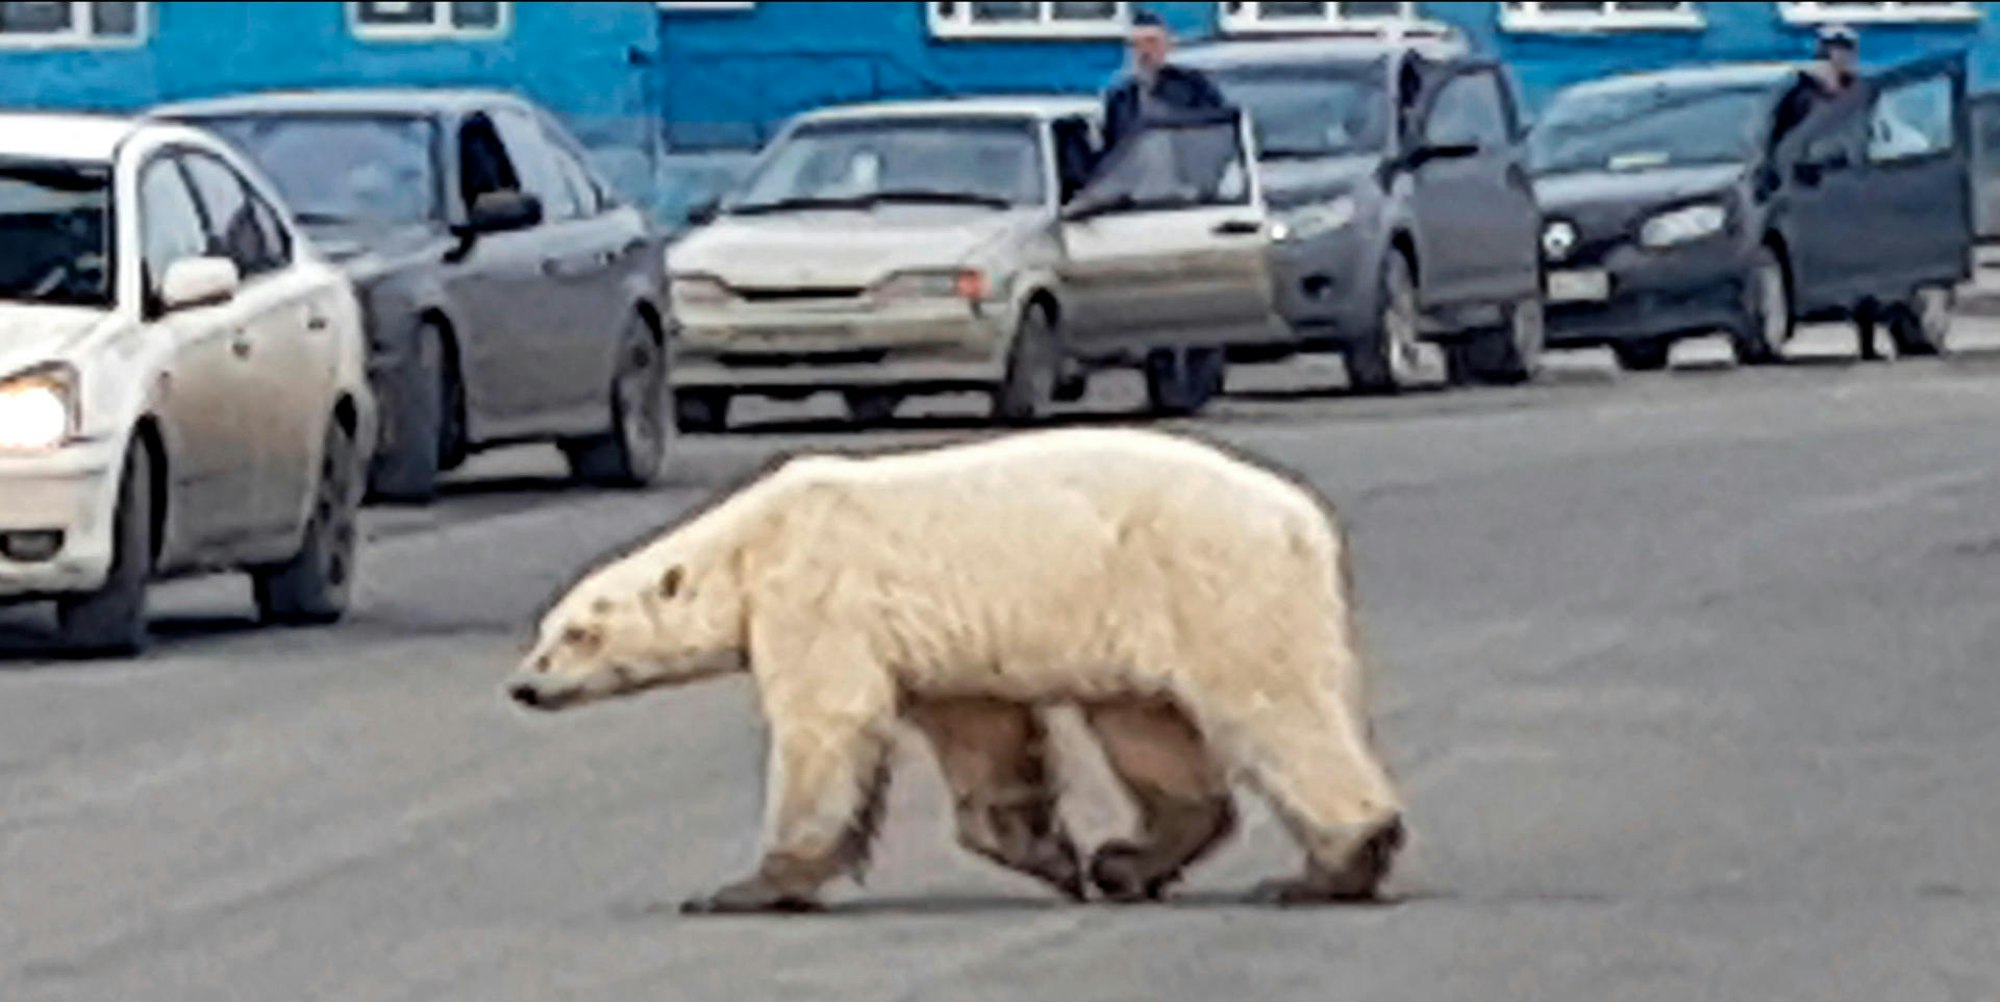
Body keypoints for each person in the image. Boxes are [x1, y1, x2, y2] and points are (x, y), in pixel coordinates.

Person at [1099, 9, 1225, 155]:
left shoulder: (1195, 88)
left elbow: (1214, 135)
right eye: (1136, 44)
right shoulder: (1120, 98)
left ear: (1168, 46)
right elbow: (1112, 153)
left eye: (1151, 42)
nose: (1144, 51)